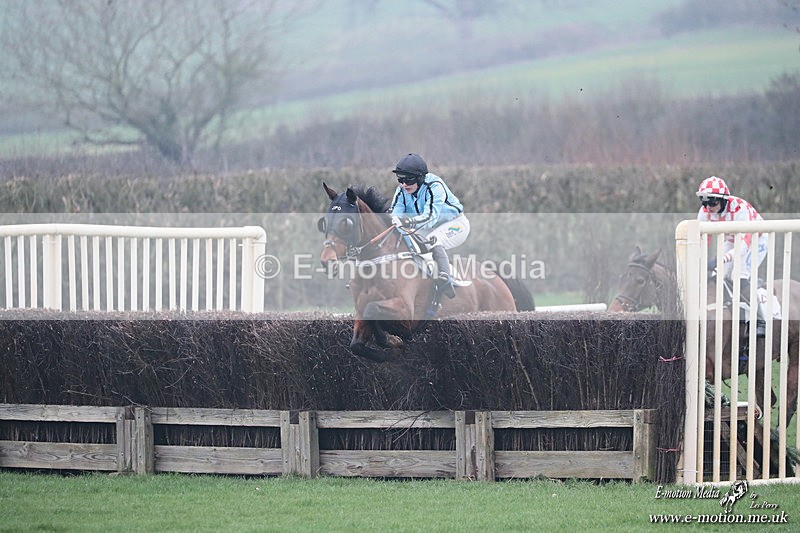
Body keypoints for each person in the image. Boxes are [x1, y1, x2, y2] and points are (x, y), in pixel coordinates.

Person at [389, 153, 469, 299]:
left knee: (434, 238)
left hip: (455, 224)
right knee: (407, 241)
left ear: (421, 177)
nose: (404, 184)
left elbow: (430, 218)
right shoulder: (401, 190)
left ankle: (445, 278)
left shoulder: (434, 186)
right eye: (401, 179)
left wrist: (407, 222)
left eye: (408, 179)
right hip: (425, 227)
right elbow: (394, 214)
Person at [696, 176, 768, 336]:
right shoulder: (704, 212)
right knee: (719, 275)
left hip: (755, 239)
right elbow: (704, 240)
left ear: (723, 200)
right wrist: (701, 260)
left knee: (738, 274)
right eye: (704, 202)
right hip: (730, 239)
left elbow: (743, 245)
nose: (709, 207)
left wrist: (719, 259)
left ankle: (760, 320)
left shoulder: (739, 208)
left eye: (713, 202)